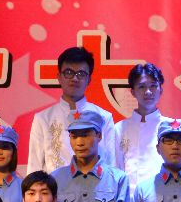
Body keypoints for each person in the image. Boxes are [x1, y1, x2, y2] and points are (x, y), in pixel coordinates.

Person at [51, 107, 130, 202]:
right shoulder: (56, 178)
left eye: (86, 135)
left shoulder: (118, 179)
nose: (79, 142)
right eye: (74, 136)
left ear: (99, 135)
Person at [25, 45, 116, 175]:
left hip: (95, 186)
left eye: (81, 74)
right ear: (59, 77)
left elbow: (111, 165)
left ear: (89, 80)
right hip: (55, 187)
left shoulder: (104, 117)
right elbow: (34, 168)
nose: (74, 78)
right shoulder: (43, 118)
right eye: (68, 73)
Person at [112, 62, 166, 183]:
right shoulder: (119, 129)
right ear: (133, 92)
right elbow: (115, 167)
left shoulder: (170, 127)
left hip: (162, 192)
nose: (148, 92)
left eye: (153, 86)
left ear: (161, 90)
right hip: (128, 193)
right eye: (141, 87)